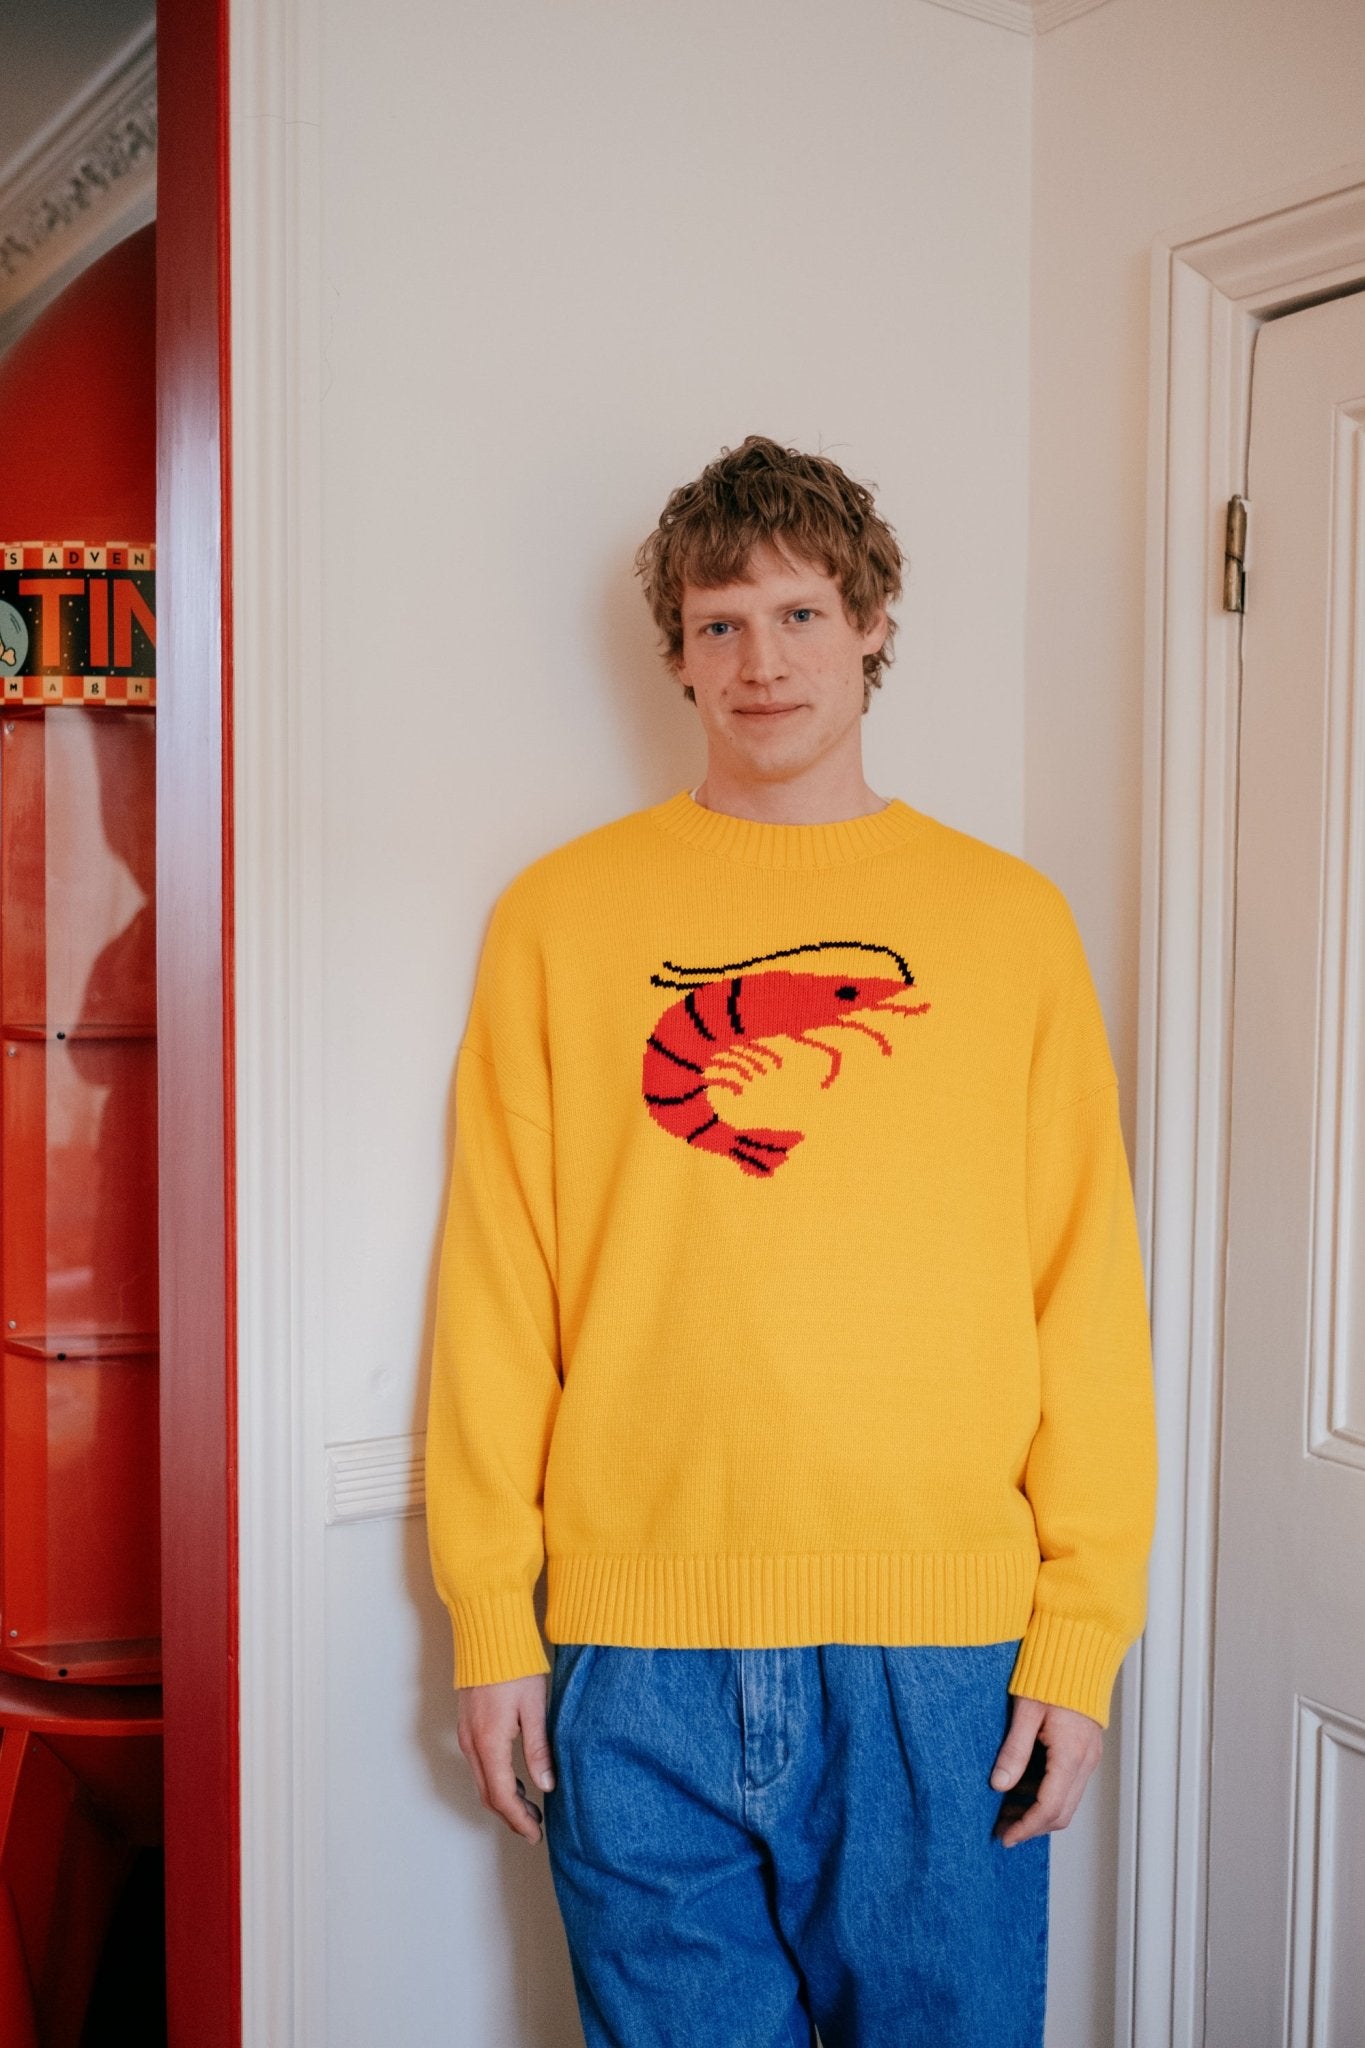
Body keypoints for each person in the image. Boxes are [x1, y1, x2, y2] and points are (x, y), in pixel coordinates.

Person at [424, 434, 1159, 2048]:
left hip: (944, 1651)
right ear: (678, 654)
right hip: (634, 1651)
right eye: (720, 624)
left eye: (801, 614)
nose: (761, 661)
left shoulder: (1010, 923)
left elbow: (1087, 1298)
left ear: (872, 622)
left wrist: (1080, 1634)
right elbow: (496, 1288)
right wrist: (490, 1617)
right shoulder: (556, 919)